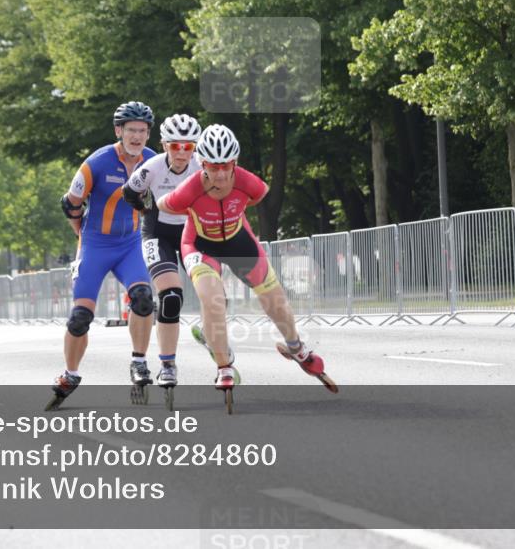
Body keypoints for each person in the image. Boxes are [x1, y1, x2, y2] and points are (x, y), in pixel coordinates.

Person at [157, 124, 337, 394]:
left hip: (238, 239)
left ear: (235, 162)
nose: (220, 173)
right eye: (212, 166)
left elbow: (256, 197)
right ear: (201, 163)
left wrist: (232, 213)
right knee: (213, 299)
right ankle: (224, 366)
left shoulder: (248, 182)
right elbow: (163, 204)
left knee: (274, 299)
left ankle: (297, 348)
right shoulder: (189, 189)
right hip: (199, 244)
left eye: (226, 166)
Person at [46, 102, 158, 409]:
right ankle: (70, 374)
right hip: (95, 244)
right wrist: (80, 234)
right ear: (118, 131)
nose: (137, 136)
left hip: (130, 246)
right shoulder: (97, 162)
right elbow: (70, 204)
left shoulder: (153, 161)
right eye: (131, 130)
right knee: (81, 317)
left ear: (149, 134)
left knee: (144, 299)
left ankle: (138, 362)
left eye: (143, 131)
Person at [122, 114, 203, 393]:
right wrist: (145, 209)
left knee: (214, 296)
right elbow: (128, 192)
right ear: (164, 145)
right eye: (175, 146)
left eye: (188, 146)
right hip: (158, 233)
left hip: (191, 234)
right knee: (170, 298)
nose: (182, 152)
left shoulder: (201, 167)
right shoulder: (152, 167)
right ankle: (167, 365)